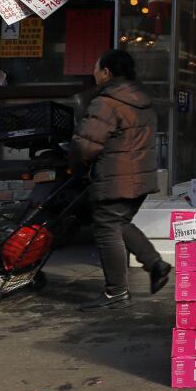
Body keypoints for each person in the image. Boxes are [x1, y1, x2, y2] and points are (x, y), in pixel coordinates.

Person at [72, 48, 171, 310]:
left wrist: (76, 161)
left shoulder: (106, 102)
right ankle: (155, 264)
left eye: (96, 68)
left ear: (106, 72)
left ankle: (116, 291)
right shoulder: (142, 98)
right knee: (119, 222)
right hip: (140, 177)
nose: (93, 73)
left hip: (115, 177)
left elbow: (87, 145)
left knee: (107, 229)